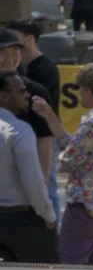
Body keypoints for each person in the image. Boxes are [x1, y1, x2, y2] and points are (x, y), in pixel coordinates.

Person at [42, 62, 93, 265]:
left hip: (87, 204)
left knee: (70, 261)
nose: (79, 93)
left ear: (88, 90)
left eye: (80, 89)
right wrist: (50, 117)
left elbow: (69, 159)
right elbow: (81, 147)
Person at [0, 77, 57, 262]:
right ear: (3, 96)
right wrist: (48, 214)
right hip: (22, 220)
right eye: (21, 91)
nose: (28, 95)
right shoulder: (18, 131)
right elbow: (33, 181)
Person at [0, 30, 55, 184]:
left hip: (23, 174)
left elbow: (44, 139)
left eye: (15, 52)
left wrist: (42, 181)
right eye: (3, 53)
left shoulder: (34, 90)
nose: (9, 59)